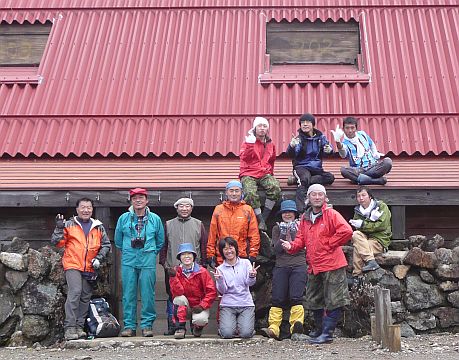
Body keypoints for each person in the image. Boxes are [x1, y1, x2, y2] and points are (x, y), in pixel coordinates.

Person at [281, 184, 353, 344]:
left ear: (325, 197)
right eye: (314, 194)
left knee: (334, 300)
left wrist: (329, 243)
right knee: (314, 299)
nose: (317, 197)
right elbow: (301, 239)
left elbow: (347, 231)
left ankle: (327, 334)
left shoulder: (331, 214)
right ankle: (319, 330)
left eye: (320, 194)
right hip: (314, 265)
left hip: (332, 264)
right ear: (309, 197)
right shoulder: (305, 219)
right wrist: (291, 246)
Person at [51, 198, 111, 341]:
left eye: (89, 207)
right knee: (75, 292)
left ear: (92, 209)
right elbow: (57, 243)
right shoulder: (69, 224)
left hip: (91, 266)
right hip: (73, 264)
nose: (86, 210)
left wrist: (99, 258)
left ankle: (79, 326)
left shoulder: (98, 226)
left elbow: (106, 245)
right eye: (83, 207)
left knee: (85, 297)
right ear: (77, 209)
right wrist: (59, 228)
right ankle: (70, 327)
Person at [114, 188, 165, 337]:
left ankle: (147, 325)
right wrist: (129, 251)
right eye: (135, 198)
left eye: (141, 197)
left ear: (146, 200)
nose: (138, 200)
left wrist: (150, 251)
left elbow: (160, 241)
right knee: (128, 294)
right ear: (131, 201)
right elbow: (118, 240)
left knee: (148, 293)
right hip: (129, 260)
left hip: (148, 259)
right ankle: (129, 326)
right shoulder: (123, 218)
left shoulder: (155, 218)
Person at [159, 197, 208, 336]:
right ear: (177, 208)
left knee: (195, 297)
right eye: (181, 206)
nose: (184, 209)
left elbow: (203, 245)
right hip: (174, 269)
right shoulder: (168, 224)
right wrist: (164, 264)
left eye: (187, 206)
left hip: (194, 270)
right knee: (173, 297)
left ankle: (195, 325)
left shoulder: (199, 224)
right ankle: (173, 325)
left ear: (191, 208)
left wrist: (203, 264)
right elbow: (163, 246)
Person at [261, 200, 307, 340]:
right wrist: (282, 233)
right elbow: (276, 250)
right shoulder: (276, 228)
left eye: (290, 212)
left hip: (299, 265)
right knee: (278, 297)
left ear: (294, 214)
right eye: (285, 212)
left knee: (296, 297)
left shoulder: (302, 227)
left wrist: (293, 233)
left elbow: (304, 246)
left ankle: (296, 327)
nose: (287, 214)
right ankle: (274, 328)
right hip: (281, 266)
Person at [239, 116, 282, 230]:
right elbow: (245, 158)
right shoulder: (248, 141)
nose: (262, 128)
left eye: (265, 126)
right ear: (255, 128)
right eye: (260, 126)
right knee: (250, 193)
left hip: (264, 172)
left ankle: (264, 218)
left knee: (275, 188)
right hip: (249, 172)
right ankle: (259, 220)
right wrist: (249, 145)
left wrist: (271, 174)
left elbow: (272, 160)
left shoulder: (270, 144)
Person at [287, 113, 335, 212]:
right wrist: (291, 146)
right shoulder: (298, 139)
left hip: (316, 168)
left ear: (313, 125)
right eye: (302, 123)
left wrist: (329, 150)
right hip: (301, 167)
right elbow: (291, 154)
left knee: (330, 177)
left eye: (307, 122)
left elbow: (329, 151)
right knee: (304, 180)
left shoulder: (320, 138)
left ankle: (296, 180)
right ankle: (301, 210)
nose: (305, 124)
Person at [167, 243, 217, 339]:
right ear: (179, 257)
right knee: (178, 299)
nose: (186, 256)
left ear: (193, 256)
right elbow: (178, 293)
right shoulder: (175, 271)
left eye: (189, 254)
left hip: (199, 305)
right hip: (184, 305)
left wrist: (202, 305)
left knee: (201, 320)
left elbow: (211, 291)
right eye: (183, 254)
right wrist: (173, 278)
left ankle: (197, 327)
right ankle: (180, 327)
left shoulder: (202, 271)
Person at [207, 180, 260, 267]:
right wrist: (210, 254)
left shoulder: (247, 210)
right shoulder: (219, 209)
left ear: (241, 192)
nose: (234, 193)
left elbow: (254, 234)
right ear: (226, 193)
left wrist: (253, 253)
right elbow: (212, 234)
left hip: (241, 256)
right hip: (222, 256)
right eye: (231, 191)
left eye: (237, 190)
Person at [213, 237, 259, 338]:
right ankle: (226, 328)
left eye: (231, 247)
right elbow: (222, 291)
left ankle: (246, 328)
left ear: (235, 248)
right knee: (227, 334)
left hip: (245, 303)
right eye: (225, 249)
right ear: (222, 252)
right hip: (228, 305)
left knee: (246, 334)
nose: (229, 251)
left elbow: (250, 284)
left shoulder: (246, 263)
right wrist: (220, 280)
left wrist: (252, 276)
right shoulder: (220, 269)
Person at [331, 116, 392, 185]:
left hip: (373, 166)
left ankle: (362, 179)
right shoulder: (344, 143)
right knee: (344, 170)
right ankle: (375, 180)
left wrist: (375, 153)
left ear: (356, 128)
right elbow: (343, 154)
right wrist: (337, 141)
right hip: (359, 169)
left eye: (352, 128)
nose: (350, 131)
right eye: (347, 128)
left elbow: (371, 144)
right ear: (343, 129)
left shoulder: (362, 134)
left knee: (388, 162)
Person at [349, 186, 392, 276]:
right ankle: (371, 261)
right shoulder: (358, 211)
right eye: (358, 196)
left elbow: (382, 225)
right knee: (356, 234)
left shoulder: (381, 206)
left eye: (363, 195)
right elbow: (358, 229)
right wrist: (365, 223)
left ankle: (356, 276)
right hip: (364, 239)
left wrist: (363, 224)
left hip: (379, 240)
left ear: (370, 196)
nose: (361, 198)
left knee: (358, 248)